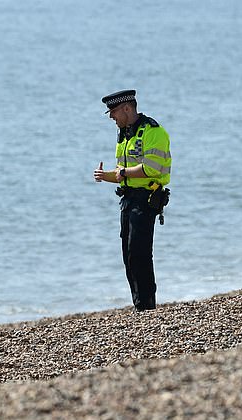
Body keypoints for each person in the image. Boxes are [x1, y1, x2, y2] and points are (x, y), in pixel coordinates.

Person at [93, 89, 171, 311]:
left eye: (113, 111)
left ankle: (147, 306)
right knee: (129, 255)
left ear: (127, 108)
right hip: (128, 199)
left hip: (146, 198)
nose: (111, 116)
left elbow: (152, 168)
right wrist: (104, 176)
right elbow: (122, 174)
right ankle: (139, 305)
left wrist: (124, 173)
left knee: (140, 253)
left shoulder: (152, 131)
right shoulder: (125, 134)